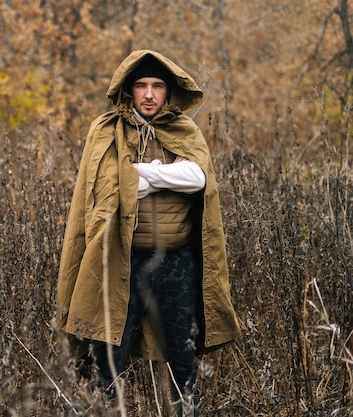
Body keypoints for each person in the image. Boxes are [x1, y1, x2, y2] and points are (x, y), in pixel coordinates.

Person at [55, 50, 242, 415]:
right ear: (129, 90)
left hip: (178, 262)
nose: (149, 94)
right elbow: (113, 189)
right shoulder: (107, 130)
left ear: (169, 90)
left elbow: (198, 178)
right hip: (122, 260)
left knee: (181, 355)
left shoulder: (185, 130)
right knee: (109, 351)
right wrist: (166, 172)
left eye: (157, 85)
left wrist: (145, 173)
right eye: (141, 85)